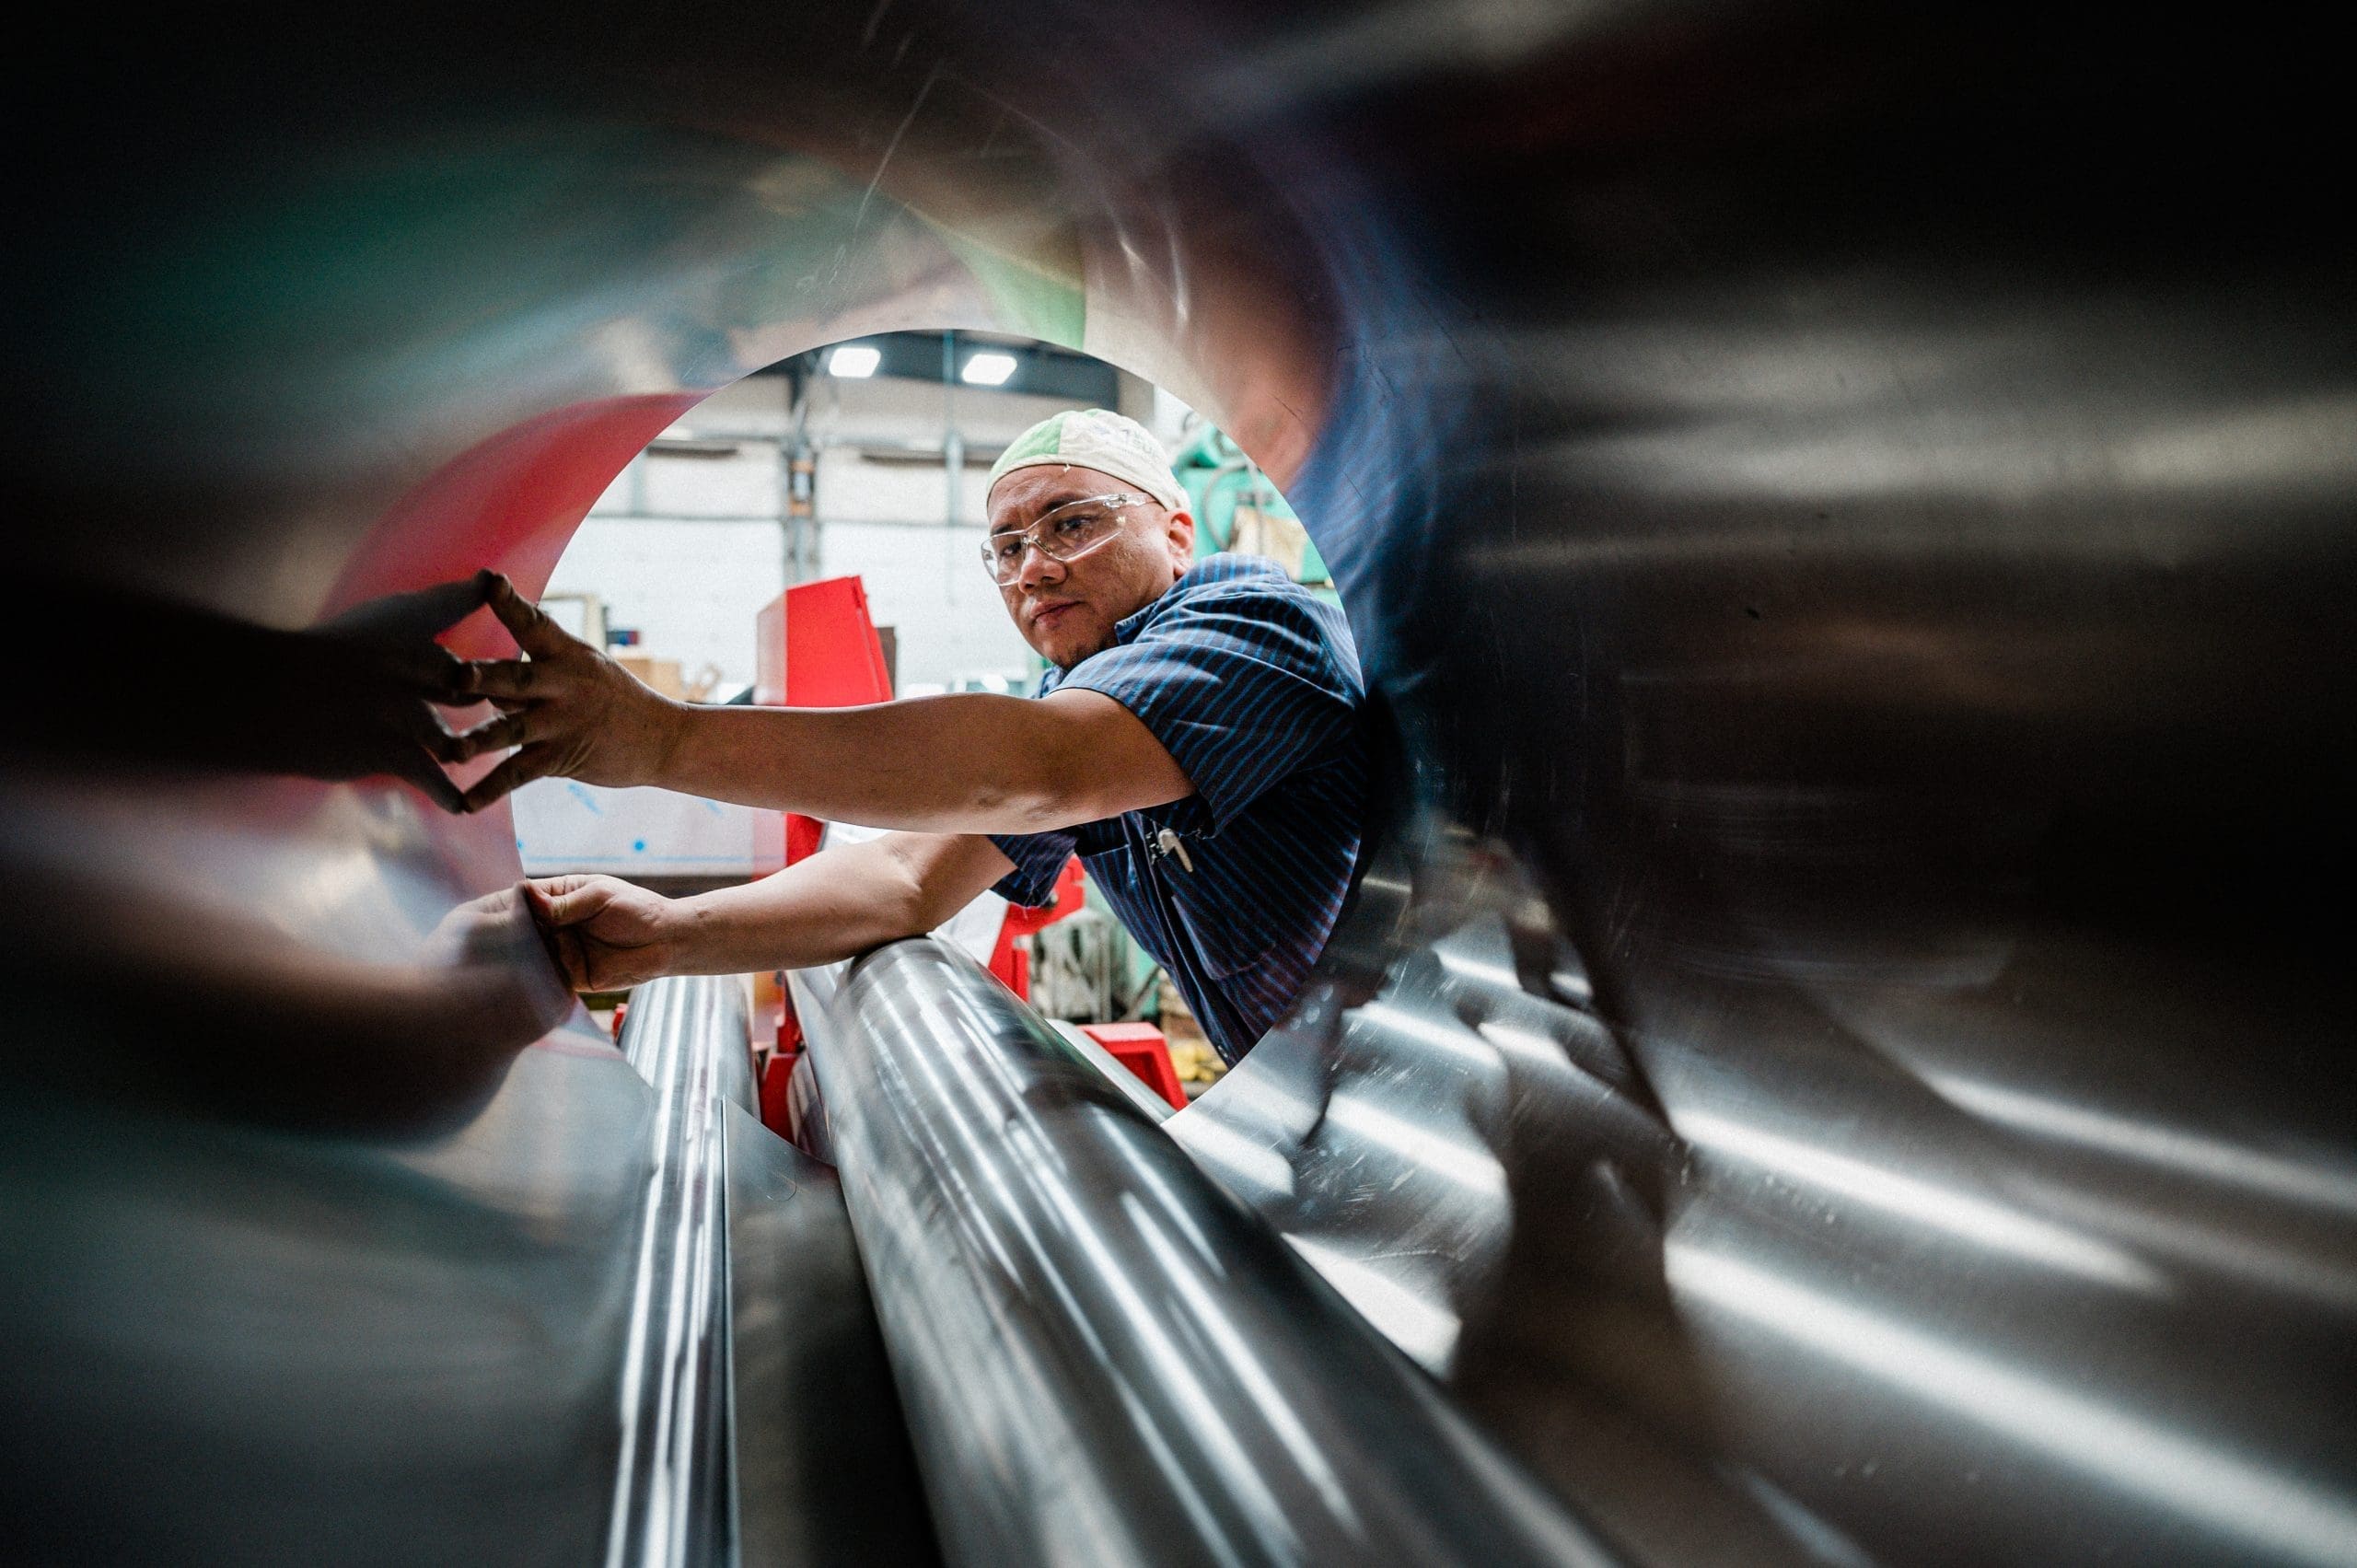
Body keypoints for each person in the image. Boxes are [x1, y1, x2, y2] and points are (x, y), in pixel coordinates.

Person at [446, 408, 1367, 1064]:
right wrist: (668, 935)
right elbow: (904, 878)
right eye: (1007, 547)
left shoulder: (1253, 624)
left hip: (1388, 1081)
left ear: (1177, 532)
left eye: (1072, 523)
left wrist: (662, 739)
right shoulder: (1080, 690)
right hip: (1302, 1089)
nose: (1033, 569)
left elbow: (1036, 769)